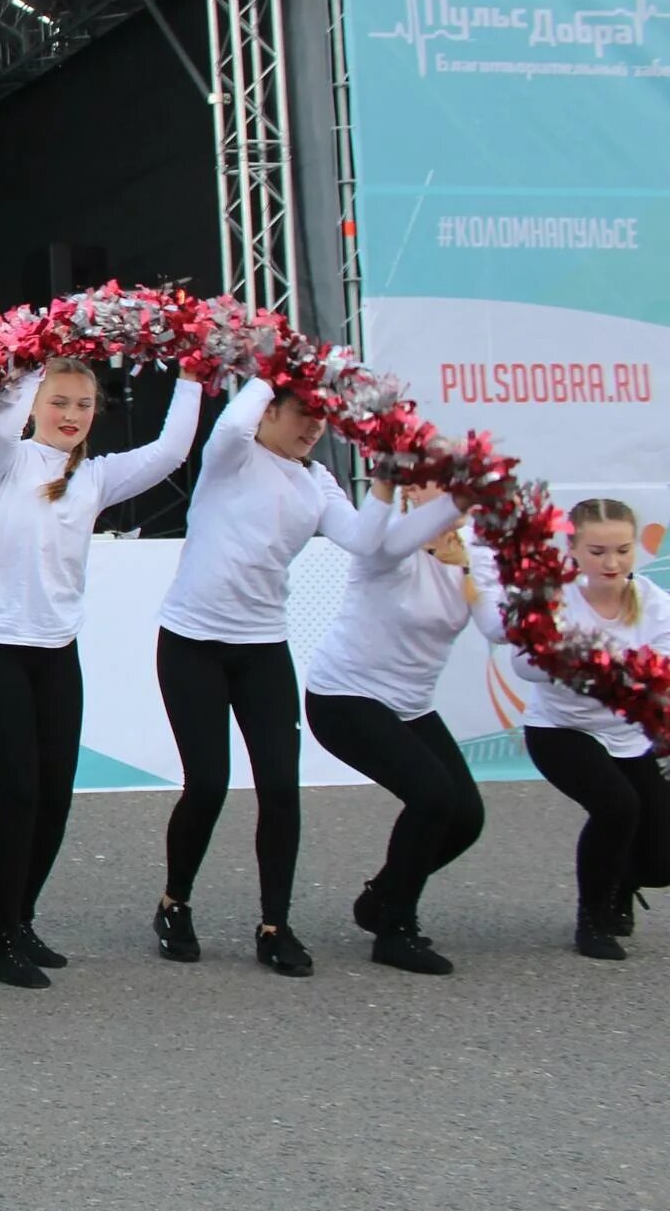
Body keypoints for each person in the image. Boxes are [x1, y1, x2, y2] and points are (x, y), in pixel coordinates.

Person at [151, 380, 448, 975]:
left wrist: (386, 484)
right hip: (191, 644)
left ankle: (274, 924)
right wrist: (272, 362)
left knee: (281, 790)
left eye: (322, 420)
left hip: (263, 649)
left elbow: (370, 544)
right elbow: (233, 425)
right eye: (303, 415)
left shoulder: (318, 481)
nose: (314, 428)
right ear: (269, 411)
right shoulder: (233, 453)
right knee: (207, 784)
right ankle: (174, 902)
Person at [0, 362, 202, 985]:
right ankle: (0, 938)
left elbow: (172, 450)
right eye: (58, 401)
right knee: (19, 796)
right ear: (36, 405)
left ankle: (23, 918)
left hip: (56, 653)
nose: (71, 414)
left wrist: (194, 374)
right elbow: (1, 421)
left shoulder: (95, 477)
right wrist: (35, 352)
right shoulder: (6, 458)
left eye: (84, 405)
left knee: (55, 800)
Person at [301, 483, 489, 973]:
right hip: (344, 698)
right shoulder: (385, 545)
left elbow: (500, 628)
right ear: (410, 491)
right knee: (431, 795)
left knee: (466, 817)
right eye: (435, 483)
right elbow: (389, 540)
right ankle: (395, 930)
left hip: (411, 706)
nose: (448, 495)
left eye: (455, 485)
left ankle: (380, 899)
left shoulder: (476, 552)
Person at [504, 498, 670, 959]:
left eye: (622, 550)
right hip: (560, 729)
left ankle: (622, 882)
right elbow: (525, 666)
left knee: (659, 862)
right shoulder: (550, 598)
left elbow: (660, 671)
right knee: (617, 807)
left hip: (628, 733)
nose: (611, 562)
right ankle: (592, 920)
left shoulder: (655, 604)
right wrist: (591, 664)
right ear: (572, 548)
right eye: (597, 551)